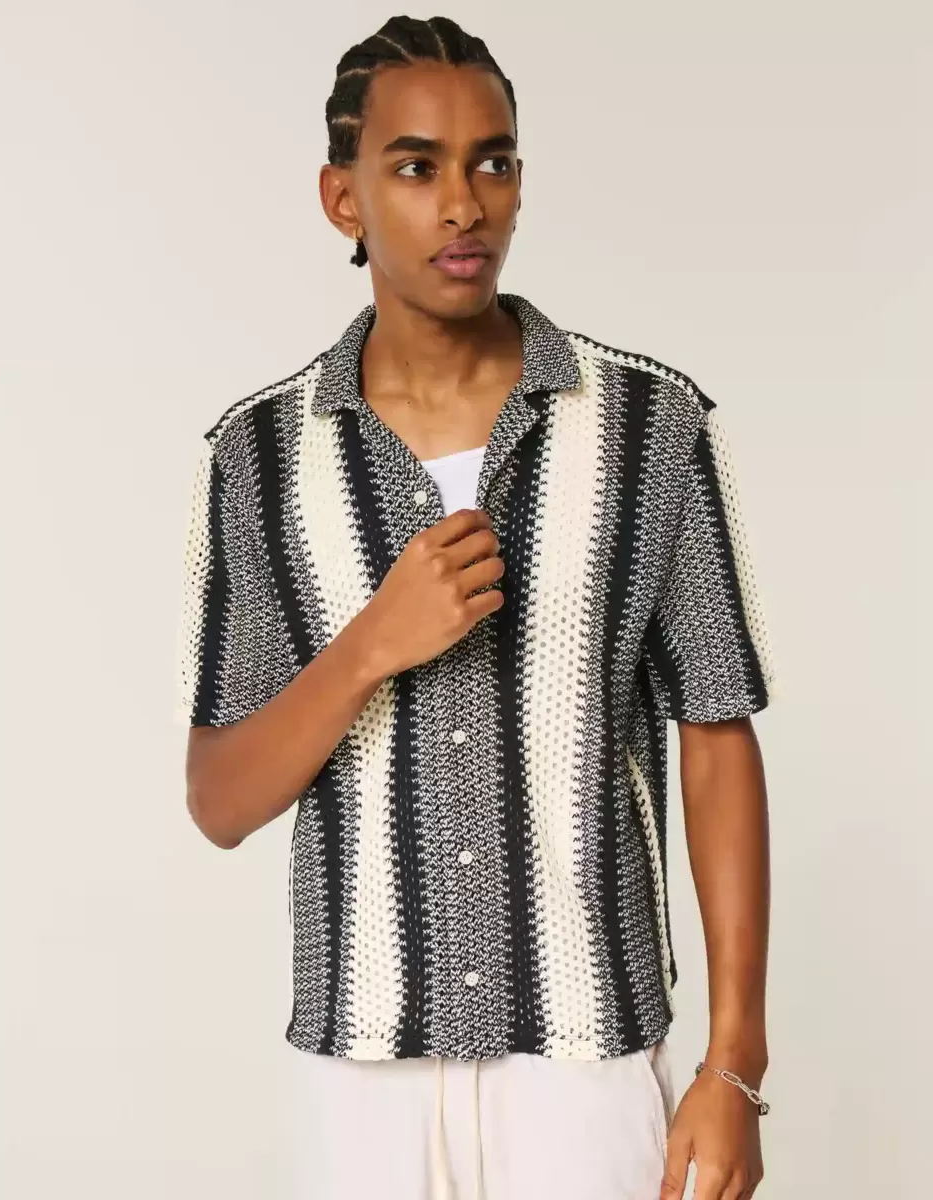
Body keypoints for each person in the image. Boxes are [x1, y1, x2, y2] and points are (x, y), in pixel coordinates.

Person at [175, 14, 777, 1200]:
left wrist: (735, 1066)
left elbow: (717, 739)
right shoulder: (258, 459)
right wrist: (368, 647)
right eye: (417, 167)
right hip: (357, 1078)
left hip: (587, 1066)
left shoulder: (653, 430)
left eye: (492, 162)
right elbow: (220, 800)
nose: (464, 203)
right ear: (342, 199)